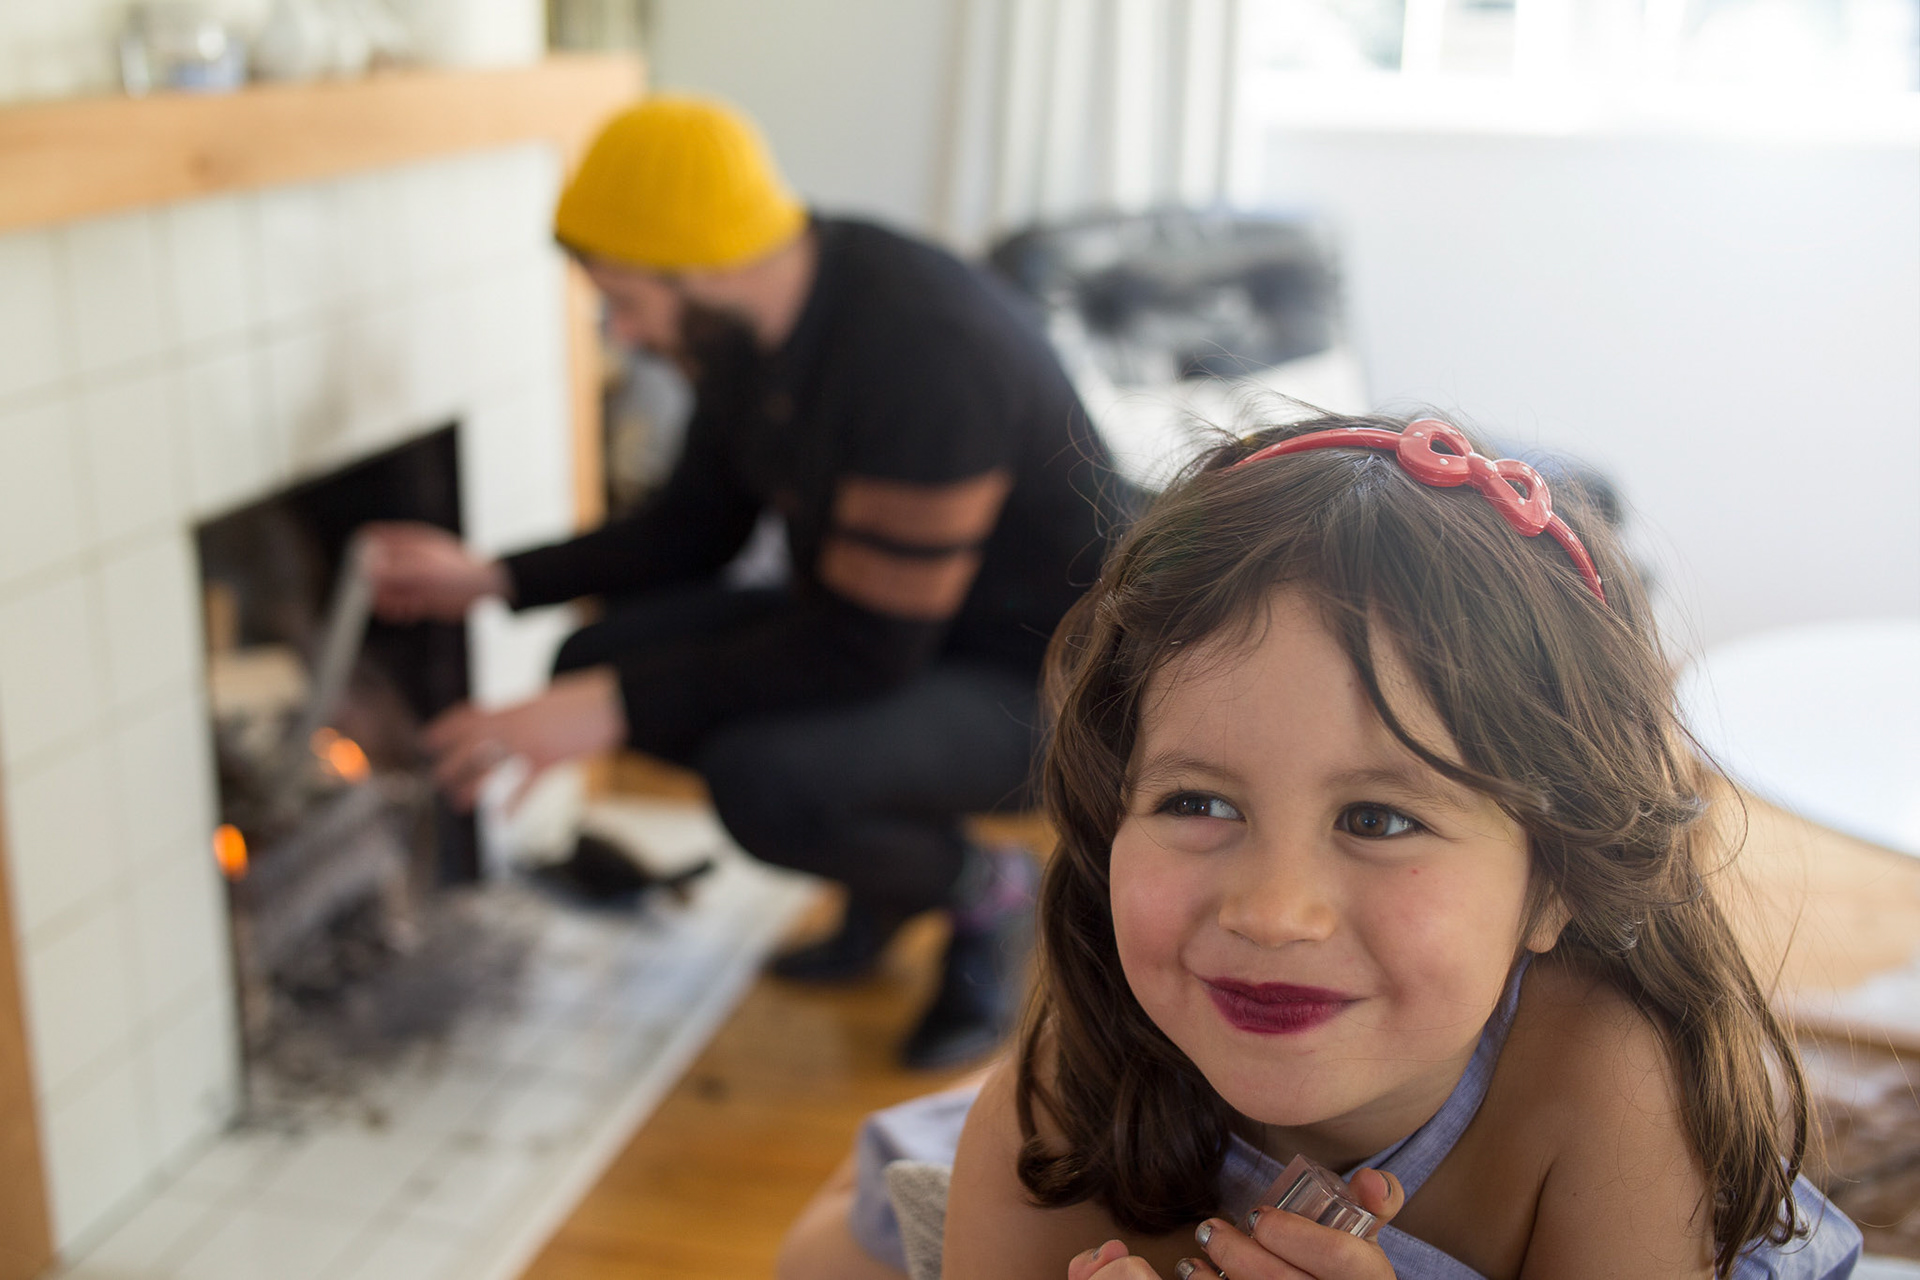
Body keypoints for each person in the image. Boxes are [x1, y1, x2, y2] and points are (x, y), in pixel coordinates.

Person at [780, 412, 1861, 1279]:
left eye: (1377, 819)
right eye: (1199, 802)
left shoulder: (1610, 1085)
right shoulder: (1058, 1114)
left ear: (1556, 878)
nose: (1272, 909)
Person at [362, 96, 1127, 1070]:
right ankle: (888, 875)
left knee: (765, 780)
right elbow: (693, 531)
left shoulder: (926, 353)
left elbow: (864, 650)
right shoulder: (748, 329)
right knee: (594, 656)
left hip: (1046, 677)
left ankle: (988, 891)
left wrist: (608, 708)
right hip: (893, 626)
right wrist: (490, 577)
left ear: (707, 267)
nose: (622, 333)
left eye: (626, 302)